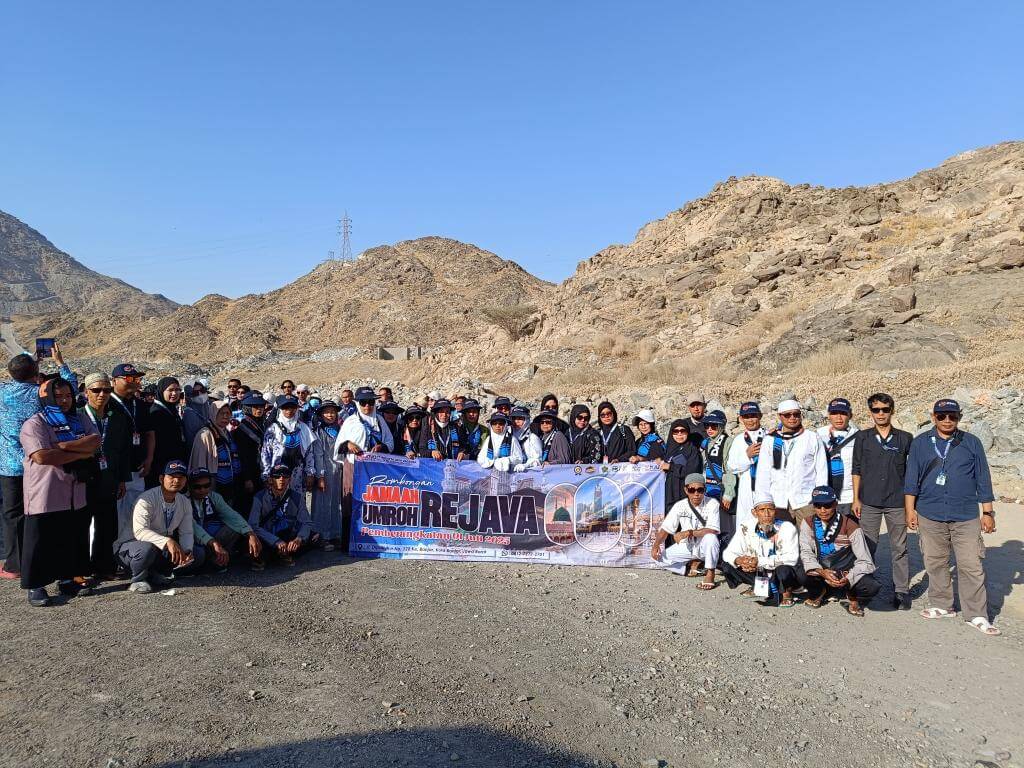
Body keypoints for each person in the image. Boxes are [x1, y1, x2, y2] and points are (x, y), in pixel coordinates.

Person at [905, 398, 1000, 636]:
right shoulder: (920, 444)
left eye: (952, 416)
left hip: (965, 515)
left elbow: (983, 480)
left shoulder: (972, 442)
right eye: (942, 416)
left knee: (971, 564)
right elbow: (911, 480)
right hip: (929, 512)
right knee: (935, 562)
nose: (947, 420)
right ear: (933, 416)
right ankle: (941, 604)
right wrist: (910, 510)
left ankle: (977, 613)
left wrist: (987, 512)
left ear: (959, 416)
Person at [19, 377, 101, 606]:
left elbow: (94, 441)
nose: (64, 401)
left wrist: (62, 446)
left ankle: (67, 578)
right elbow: (42, 456)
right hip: (46, 490)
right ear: (46, 398)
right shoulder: (34, 424)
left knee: (71, 535)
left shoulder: (79, 418)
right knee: (40, 539)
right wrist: (80, 452)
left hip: (75, 490)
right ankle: (36, 585)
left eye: (68, 396)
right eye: (59, 397)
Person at [851, 392, 913, 610]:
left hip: (897, 501)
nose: (880, 414)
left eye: (885, 410)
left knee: (900, 547)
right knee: (867, 546)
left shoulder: (905, 438)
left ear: (892, 411)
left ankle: (901, 591)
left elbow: (911, 473)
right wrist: (856, 499)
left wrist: (910, 507)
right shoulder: (863, 437)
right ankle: (867, 586)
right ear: (870, 412)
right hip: (869, 501)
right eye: (876, 410)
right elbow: (856, 468)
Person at [115, 460, 198, 593]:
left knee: (198, 554)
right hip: (130, 547)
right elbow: (140, 532)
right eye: (171, 477)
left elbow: (186, 532)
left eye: (181, 477)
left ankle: (156, 574)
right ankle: (138, 580)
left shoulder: (184, 502)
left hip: (158, 546)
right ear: (161, 478)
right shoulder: (146, 499)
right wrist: (168, 541)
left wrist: (187, 551)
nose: (176, 481)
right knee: (148, 548)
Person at [798, 486, 881, 616]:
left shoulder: (851, 525)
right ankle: (821, 591)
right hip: (822, 570)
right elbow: (806, 551)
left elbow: (866, 562)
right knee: (799, 572)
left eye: (827, 505)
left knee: (872, 586)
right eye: (818, 506)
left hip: (846, 571)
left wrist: (849, 577)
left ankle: (852, 596)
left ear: (836, 504)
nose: (823, 510)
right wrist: (821, 571)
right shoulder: (808, 523)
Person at [79, 372, 130, 580]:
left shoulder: (116, 417)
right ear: (86, 392)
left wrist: (122, 479)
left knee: (107, 525)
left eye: (106, 390)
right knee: (81, 526)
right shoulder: (78, 416)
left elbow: (123, 450)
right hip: (83, 480)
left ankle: (104, 567)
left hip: (109, 478)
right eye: (96, 390)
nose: (102, 394)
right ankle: (80, 570)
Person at [0, 353, 42, 579]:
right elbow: (71, 390)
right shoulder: (39, 394)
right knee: (36, 512)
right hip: (36, 462)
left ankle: (14, 565)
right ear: (34, 373)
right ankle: (36, 556)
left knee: (12, 513)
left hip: (9, 466)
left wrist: (31, 368)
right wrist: (61, 364)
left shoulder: (2, 393)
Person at [754, 399, 826, 527]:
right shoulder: (770, 440)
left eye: (796, 414)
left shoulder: (812, 438)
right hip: (778, 501)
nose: (792, 418)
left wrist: (820, 501)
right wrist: (763, 501)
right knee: (781, 542)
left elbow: (822, 471)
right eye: (787, 415)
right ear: (780, 416)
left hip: (805, 501)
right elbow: (763, 474)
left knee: (808, 541)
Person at [336, 387, 393, 548]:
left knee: (373, 503)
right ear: (358, 403)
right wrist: (348, 444)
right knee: (351, 502)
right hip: (354, 467)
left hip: (375, 470)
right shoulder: (351, 421)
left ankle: (373, 540)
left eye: (370, 402)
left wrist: (381, 447)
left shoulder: (380, 421)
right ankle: (348, 541)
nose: (367, 406)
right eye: (363, 403)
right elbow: (338, 447)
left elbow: (390, 442)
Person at [721, 494, 801, 607]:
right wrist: (740, 560)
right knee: (727, 564)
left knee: (784, 570)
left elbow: (791, 559)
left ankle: (786, 593)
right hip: (757, 570)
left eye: (770, 509)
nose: (767, 514)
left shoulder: (787, 528)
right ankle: (758, 587)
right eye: (762, 510)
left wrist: (759, 561)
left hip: (777, 570)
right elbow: (729, 553)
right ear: (754, 512)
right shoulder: (746, 526)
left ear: (775, 511)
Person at [109, 363, 154, 555]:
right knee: (116, 515)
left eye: (136, 379)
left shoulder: (140, 404)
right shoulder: (108, 403)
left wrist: (149, 458)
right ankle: (113, 553)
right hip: (116, 470)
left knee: (136, 512)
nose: (134, 382)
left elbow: (150, 433)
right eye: (129, 379)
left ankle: (131, 552)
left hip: (138, 467)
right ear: (114, 381)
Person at [651, 474, 720, 590]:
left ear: (705, 490)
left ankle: (710, 573)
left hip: (705, 547)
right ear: (686, 490)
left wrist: (688, 532)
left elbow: (712, 529)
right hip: (688, 547)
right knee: (657, 558)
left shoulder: (712, 504)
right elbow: (665, 529)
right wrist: (656, 545)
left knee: (711, 537)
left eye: (700, 490)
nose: (696, 494)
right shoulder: (680, 506)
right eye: (692, 490)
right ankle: (691, 568)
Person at [187, 468, 261, 570]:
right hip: (193, 542)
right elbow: (192, 527)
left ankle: (219, 559)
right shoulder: (183, 501)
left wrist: (250, 533)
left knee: (236, 527)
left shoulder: (214, 497)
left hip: (211, 541)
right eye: (197, 487)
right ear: (189, 486)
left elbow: (231, 515)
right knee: (199, 555)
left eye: (206, 485)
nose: (202, 490)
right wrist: (213, 542)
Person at [249, 463, 315, 568]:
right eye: (277, 476)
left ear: (290, 479)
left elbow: (307, 522)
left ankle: (284, 553)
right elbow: (253, 525)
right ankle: (272, 555)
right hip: (267, 536)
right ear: (270, 480)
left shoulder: (297, 497)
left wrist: (298, 539)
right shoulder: (259, 497)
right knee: (254, 541)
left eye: (285, 476)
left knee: (312, 536)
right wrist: (275, 541)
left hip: (287, 535)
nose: (281, 479)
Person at [260, 395, 317, 495]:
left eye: (292, 408)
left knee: (296, 504)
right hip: (277, 476)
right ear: (280, 409)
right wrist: (266, 475)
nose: (289, 411)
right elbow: (266, 454)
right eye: (286, 408)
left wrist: (310, 473)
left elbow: (309, 453)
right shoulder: (273, 429)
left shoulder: (303, 428)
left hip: (298, 475)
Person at [189, 403, 242, 505]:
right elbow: (199, 463)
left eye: (228, 413)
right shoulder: (205, 434)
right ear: (213, 413)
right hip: (212, 487)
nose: (225, 416)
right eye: (221, 413)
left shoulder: (227, 433)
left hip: (229, 486)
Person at [724, 402, 765, 531]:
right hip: (746, 487)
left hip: (766, 486)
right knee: (746, 525)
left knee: (767, 524)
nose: (750, 420)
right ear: (741, 419)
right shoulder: (738, 440)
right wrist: (748, 456)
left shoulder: (770, 436)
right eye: (746, 416)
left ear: (760, 416)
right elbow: (731, 466)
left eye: (753, 416)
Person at [816, 398, 859, 515]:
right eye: (834, 413)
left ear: (850, 415)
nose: (839, 418)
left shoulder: (859, 436)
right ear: (828, 415)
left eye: (843, 413)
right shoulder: (818, 435)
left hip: (851, 496)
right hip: (827, 496)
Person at [311, 401, 344, 549]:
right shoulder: (319, 432)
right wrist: (321, 476)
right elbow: (318, 455)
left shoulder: (341, 429)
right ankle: (321, 536)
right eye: (327, 412)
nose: (330, 415)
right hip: (325, 471)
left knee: (337, 504)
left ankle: (336, 534)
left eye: (333, 412)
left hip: (339, 471)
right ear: (321, 415)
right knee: (323, 504)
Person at [146, 377, 187, 488]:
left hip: (174, 463)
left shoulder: (171, 409)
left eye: (178, 390)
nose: (175, 393)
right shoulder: (156, 412)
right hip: (161, 465)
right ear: (161, 391)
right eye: (170, 390)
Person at [232, 391, 267, 518]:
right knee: (247, 506)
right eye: (255, 407)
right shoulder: (242, 429)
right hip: (247, 474)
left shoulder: (259, 423)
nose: (259, 409)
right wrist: (247, 479)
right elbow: (242, 456)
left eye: (261, 406)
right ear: (247, 408)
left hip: (257, 471)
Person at [657, 419, 702, 513]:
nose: (679, 434)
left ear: (688, 432)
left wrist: (670, 467)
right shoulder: (669, 449)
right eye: (676, 431)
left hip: (684, 495)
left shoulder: (692, 450)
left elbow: (692, 472)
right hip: (670, 494)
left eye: (683, 431)